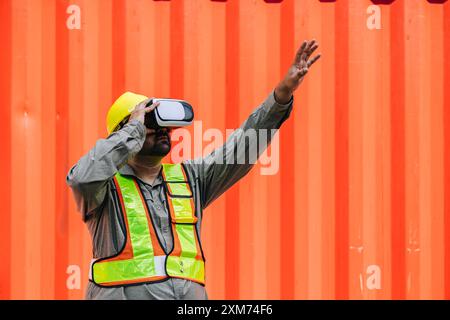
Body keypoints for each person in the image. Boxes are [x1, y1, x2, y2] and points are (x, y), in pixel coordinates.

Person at [67, 40, 320, 300]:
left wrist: (282, 95)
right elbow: (80, 178)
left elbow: (244, 145)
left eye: (165, 124)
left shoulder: (190, 178)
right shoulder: (104, 188)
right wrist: (133, 130)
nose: (164, 129)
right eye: (152, 123)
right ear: (127, 131)